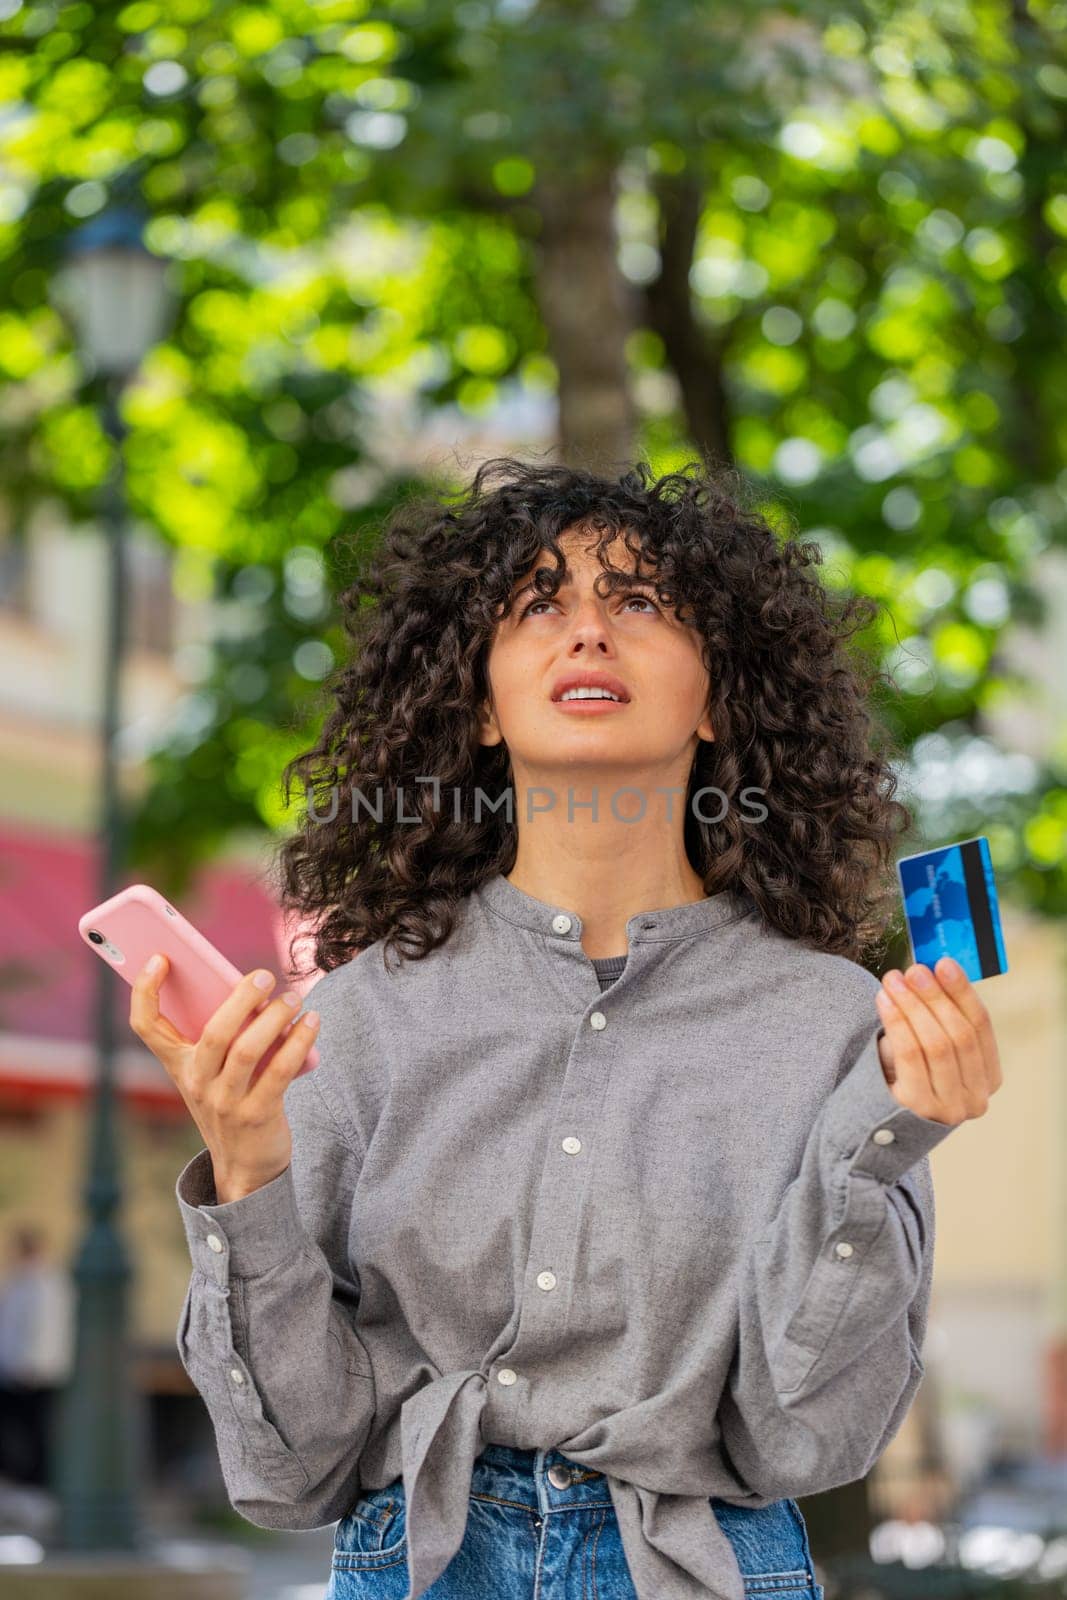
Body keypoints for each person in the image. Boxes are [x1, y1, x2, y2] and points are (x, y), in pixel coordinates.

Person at [131, 457, 1002, 1600]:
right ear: (481, 706)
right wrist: (246, 1174)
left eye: (637, 601)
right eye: (538, 603)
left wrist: (880, 1145)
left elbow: (799, 1445)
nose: (586, 629)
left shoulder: (835, 1021)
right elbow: (291, 1472)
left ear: (717, 699)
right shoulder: (361, 1015)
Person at [0, 1224, 74, 1489]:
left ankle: (35, 1486)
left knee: (35, 1434)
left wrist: (30, 1366)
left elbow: (43, 1329)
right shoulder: (21, 1281)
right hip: (16, 1371)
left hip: (34, 1373)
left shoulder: (45, 1283)